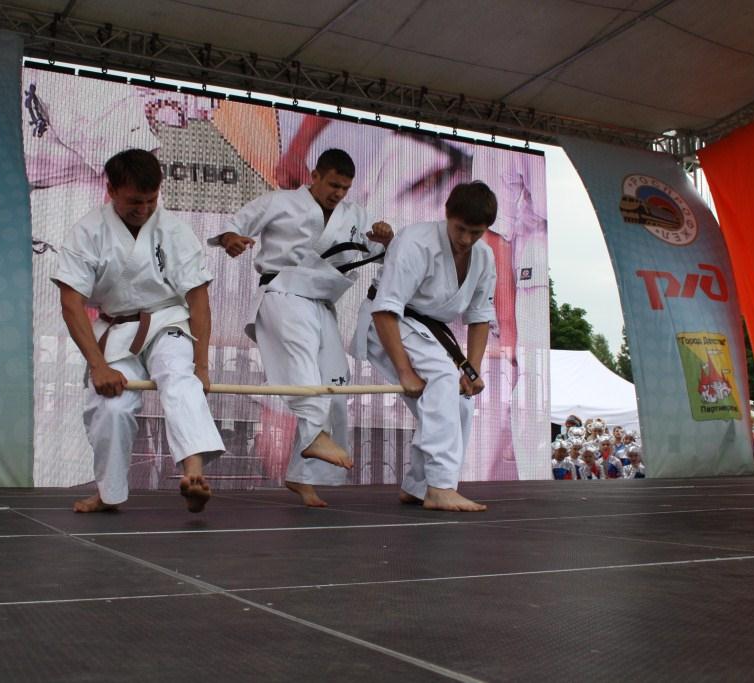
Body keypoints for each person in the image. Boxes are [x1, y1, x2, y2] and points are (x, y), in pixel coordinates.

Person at [213, 148, 393, 507]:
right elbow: (234, 224)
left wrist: (386, 238)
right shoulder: (280, 202)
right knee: (302, 363)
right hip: (284, 291)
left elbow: (380, 249)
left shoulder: (356, 215)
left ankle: (303, 474)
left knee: (335, 385)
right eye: (333, 185)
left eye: (345, 188)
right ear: (315, 176)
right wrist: (231, 238)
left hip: (322, 303)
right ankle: (314, 435)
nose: (338, 193)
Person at [52, 149, 225, 513]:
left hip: (167, 320)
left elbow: (198, 300)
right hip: (118, 329)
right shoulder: (87, 232)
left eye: (151, 199)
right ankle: (109, 494)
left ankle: (193, 472)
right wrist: (98, 366)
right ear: (111, 190)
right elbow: (71, 303)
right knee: (111, 407)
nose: (144, 209)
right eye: (134, 201)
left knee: (179, 376)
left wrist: (202, 365)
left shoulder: (175, 231)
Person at [352, 181, 502, 511]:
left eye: (475, 233)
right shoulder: (415, 242)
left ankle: (419, 486)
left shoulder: (484, 257)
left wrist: (472, 370)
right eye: (460, 229)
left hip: (429, 331)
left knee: (460, 400)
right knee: (442, 378)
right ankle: (440, 486)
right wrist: (404, 371)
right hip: (388, 323)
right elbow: (385, 308)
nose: (466, 239)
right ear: (447, 214)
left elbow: (479, 316)